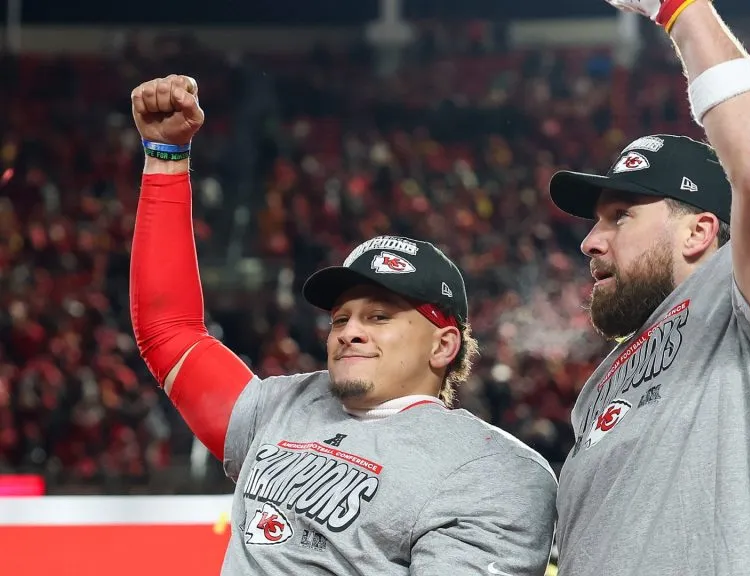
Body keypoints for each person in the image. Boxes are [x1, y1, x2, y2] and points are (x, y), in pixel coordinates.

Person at [127, 74, 556, 575]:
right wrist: (165, 156)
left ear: (443, 345)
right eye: (341, 318)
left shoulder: (492, 470)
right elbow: (169, 330)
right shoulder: (280, 407)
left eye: (379, 316)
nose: (350, 331)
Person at [546, 1, 750, 575]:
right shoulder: (599, 389)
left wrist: (680, 10)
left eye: (620, 217)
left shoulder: (748, 307)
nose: (591, 242)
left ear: (699, 232)